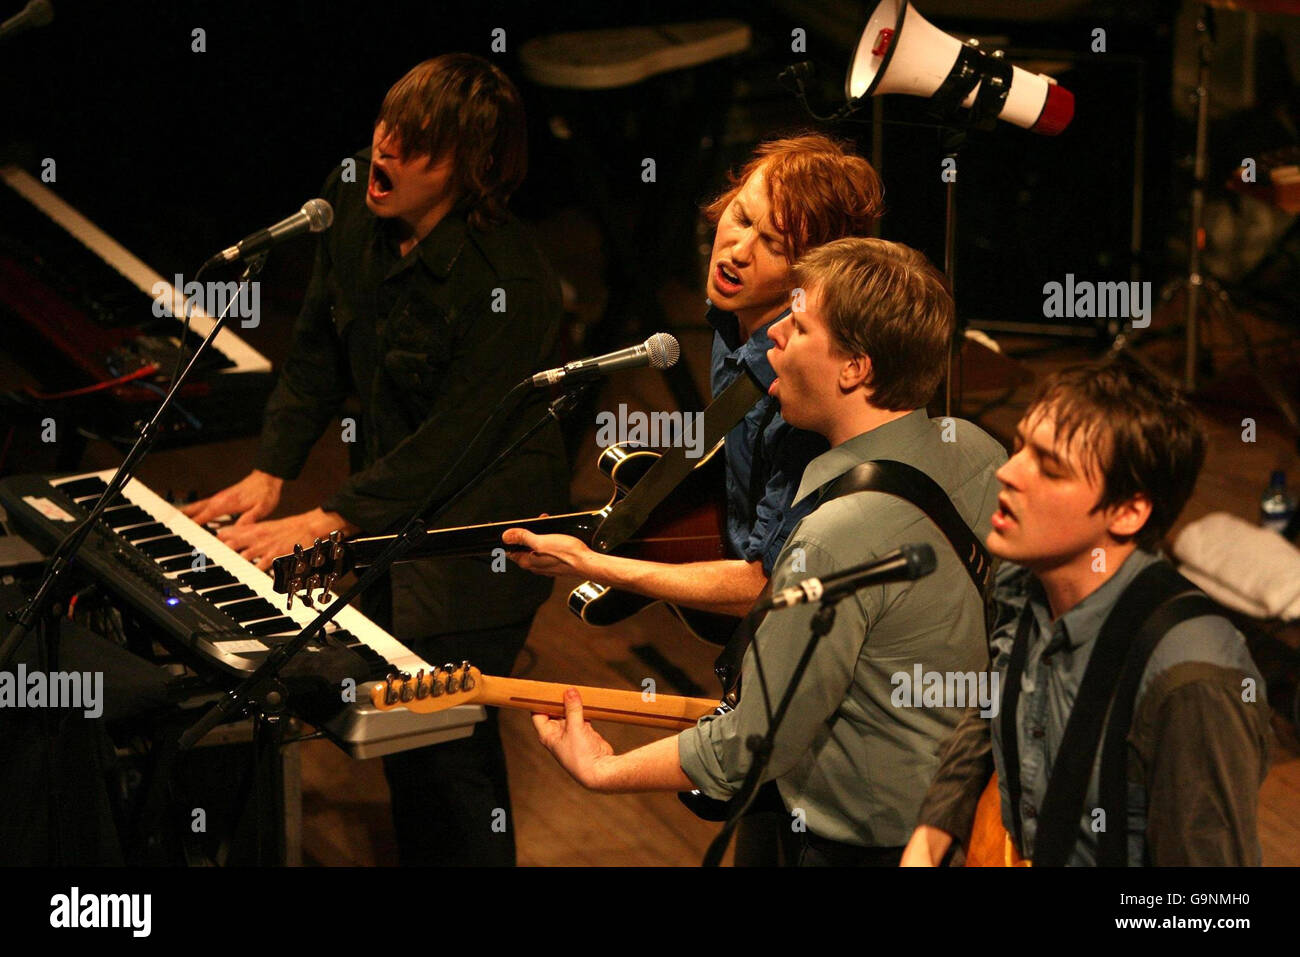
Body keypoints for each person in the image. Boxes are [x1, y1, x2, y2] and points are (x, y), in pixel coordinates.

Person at [183, 54, 570, 866]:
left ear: (473, 168)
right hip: (400, 506)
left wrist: (332, 516)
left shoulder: (511, 283)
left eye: (416, 144)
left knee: (443, 733)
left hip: (482, 531)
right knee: (402, 723)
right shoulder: (353, 198)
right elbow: (319, 346)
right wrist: (272, 468)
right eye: (387, 126)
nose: (384, 151)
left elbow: (459, 439)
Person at [520, 237, 1006, 865]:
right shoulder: (975, 447)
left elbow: (753, 742)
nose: (774, 335)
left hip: (855, 844)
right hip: (956, 819)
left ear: (855, 367)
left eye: (798, 325)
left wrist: (602, 770)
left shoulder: (836, 535)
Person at [504, 134, 882, 864]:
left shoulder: (796, 385)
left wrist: (601, 567)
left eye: (771, 243)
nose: (735, 249)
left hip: (828, 699)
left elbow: (765, 587)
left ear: (816, 275)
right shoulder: (733, 329)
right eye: (739, 217)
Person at [902, 359, 1271, 866]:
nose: (1008, 472)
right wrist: (932, 832)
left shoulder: (1193, 679)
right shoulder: (1019, 580)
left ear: (1128, 511)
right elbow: (993, 704)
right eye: (1020, 445)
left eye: (1050, 466)